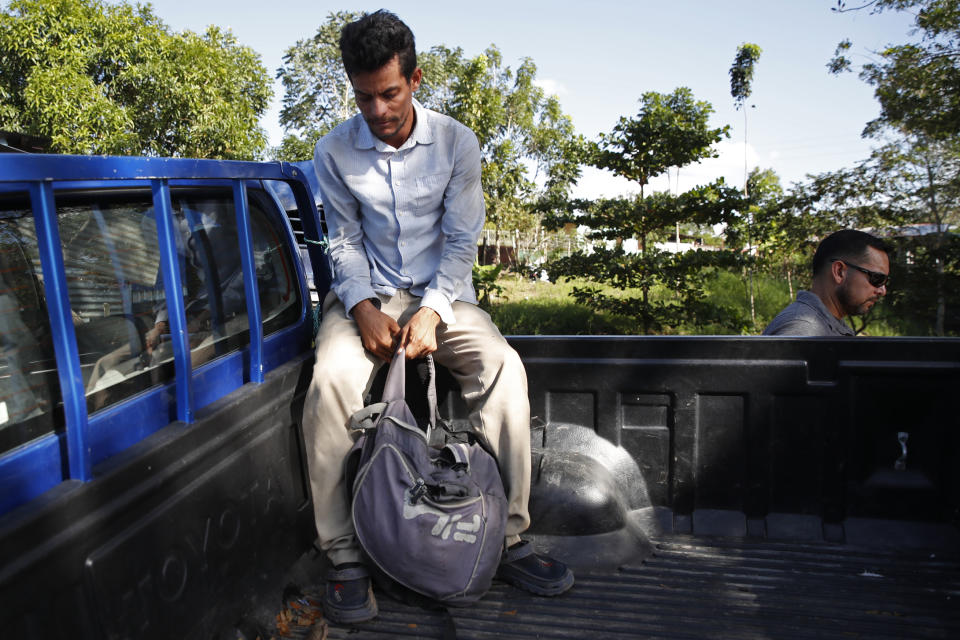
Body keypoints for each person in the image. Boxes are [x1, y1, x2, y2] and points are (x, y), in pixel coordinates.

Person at [302, 10, 574, 624]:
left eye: (389, 93)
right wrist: (365, 309)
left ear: (415, 79)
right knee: (328, 384)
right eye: (364, 96)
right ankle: (344, 553)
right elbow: (341, 243)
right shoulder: (333, 151)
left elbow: (459, 244)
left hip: (444, 297)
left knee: (503, 368)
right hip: (366, 297)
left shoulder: (457, 143)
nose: (377, 110)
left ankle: (504, 538)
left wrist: (432, 310)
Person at [763, 229, 891, 336]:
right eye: (877, 278)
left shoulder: (823, 326)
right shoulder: (805, 330)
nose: (882, 291)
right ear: (839, 272)